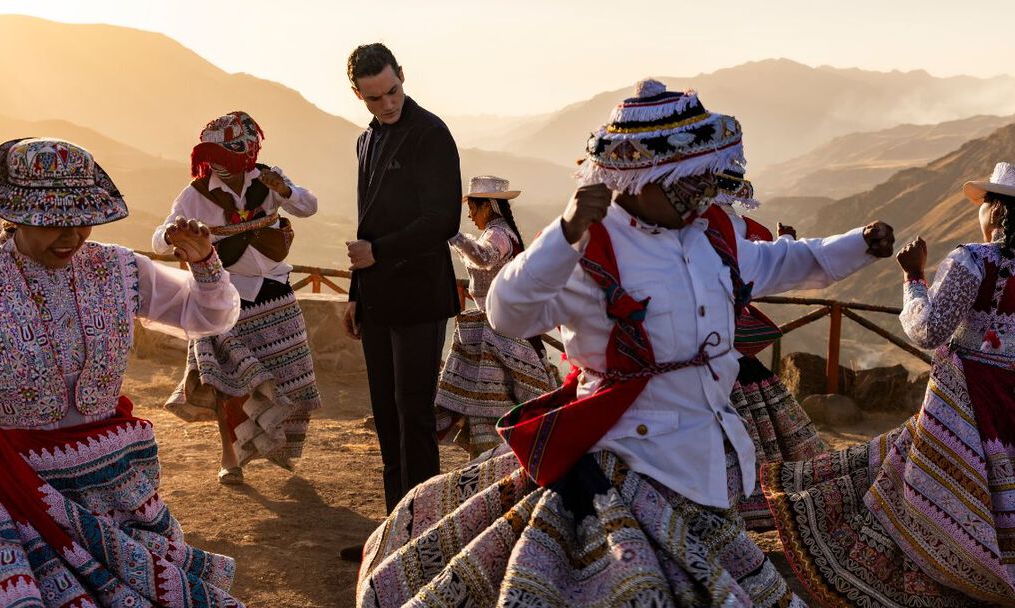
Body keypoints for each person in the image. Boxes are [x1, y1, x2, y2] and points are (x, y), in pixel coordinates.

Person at [355, 79, 894, 607]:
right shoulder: (589, 247)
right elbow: (508, 311)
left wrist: (860, 246)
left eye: (703, 179)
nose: (701, 193)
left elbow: (784, 261)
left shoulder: (713, 234)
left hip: (706, 461)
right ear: (639, 179)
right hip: (623, 466)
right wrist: (563, 234)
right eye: (686, 182)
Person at [0, 137, 244, 606]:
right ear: (15, 215)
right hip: (11, 488)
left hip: (114, 484)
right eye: (52, 223)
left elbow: (206, 316)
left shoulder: (119, 267)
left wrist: (204, 263)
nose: (71, 236)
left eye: (83, 220)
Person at [763, 161, 1015, 606]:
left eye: (984, 204)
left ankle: (947, 568)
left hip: (964, 402)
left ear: (996, 211)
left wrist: (913, 278)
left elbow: (928, 330)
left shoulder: (973, 261)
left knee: (930, 487)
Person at [154, 111, 321, 485]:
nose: (219, 166)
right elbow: (159, 239)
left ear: (247, 155)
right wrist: (172, 234)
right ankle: (230, 458)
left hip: (276, 290)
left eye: (226, 158)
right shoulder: (194, 195)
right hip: (222, 296)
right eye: (212, 157)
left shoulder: (269, 179)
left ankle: (278, 444)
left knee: (291, 376)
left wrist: (286, 191)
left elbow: (308, 206)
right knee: (227, 382)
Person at [343, 43, 462, 521]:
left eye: (392, 91)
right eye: (374, 98)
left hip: (420, 296)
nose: (387, 103)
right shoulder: (365, 141)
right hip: (376, 299)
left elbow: (443, 220)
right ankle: (395, 529)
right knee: (386, 418)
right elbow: (366, 225)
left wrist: (379, 253)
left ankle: (424, 529)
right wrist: (355, 293)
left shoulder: (431, 134)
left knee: (414, 416)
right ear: (358, 95)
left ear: (402, 76)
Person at [708, 168, 827, 531]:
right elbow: (757, 274)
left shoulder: (697, 227)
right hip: (725, 342)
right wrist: (785, 245)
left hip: (706, 344)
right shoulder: (742, 228)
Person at [435, 175, 559, 458]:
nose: (470, 215)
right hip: (497, 325)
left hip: (498, 330)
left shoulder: (498, 235)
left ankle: (493, 451)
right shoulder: (501, 232)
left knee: (494, 396)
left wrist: (453, 235)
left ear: (487, 206)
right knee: (495, 395)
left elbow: (484, 257)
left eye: (473, 208)